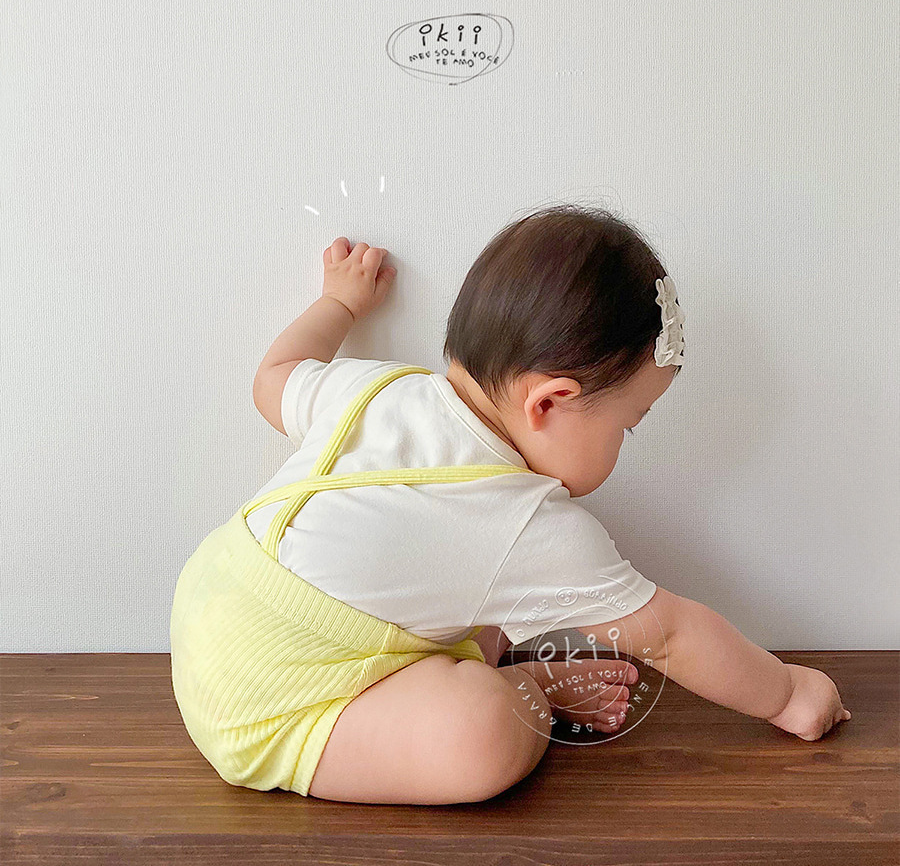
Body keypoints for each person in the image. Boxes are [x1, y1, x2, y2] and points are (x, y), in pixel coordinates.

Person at [170, 204, 851, 807]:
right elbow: (670, 633)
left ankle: (500, 669)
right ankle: (535, 686)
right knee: (485, 735)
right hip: (274, 710)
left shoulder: (375, 389)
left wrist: (340, 304)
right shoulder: (528, 521)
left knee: (482, 596)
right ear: (549, 402)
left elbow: (274, 378)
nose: (626, 443)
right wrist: (789, 693)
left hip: (208, 616)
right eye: (629, 425)